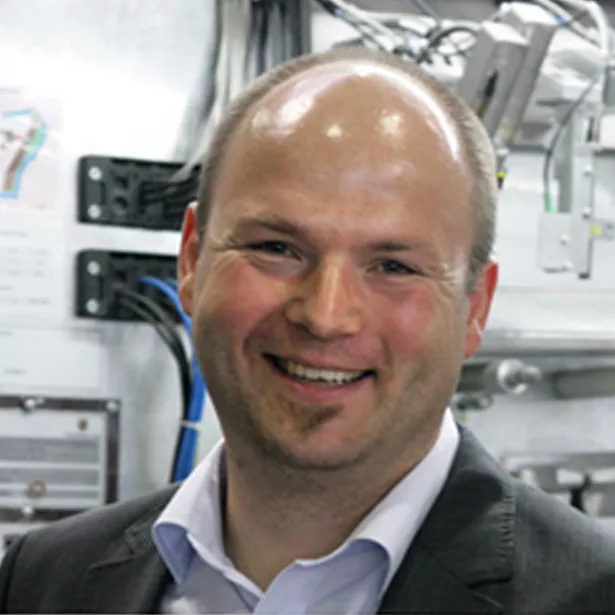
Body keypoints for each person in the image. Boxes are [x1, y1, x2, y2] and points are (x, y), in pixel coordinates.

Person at [2, 45, 615, 615]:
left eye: (394, 266)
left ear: (475, 306)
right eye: (276, 248)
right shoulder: (42, 582)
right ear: (191, 261)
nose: (325, 316)